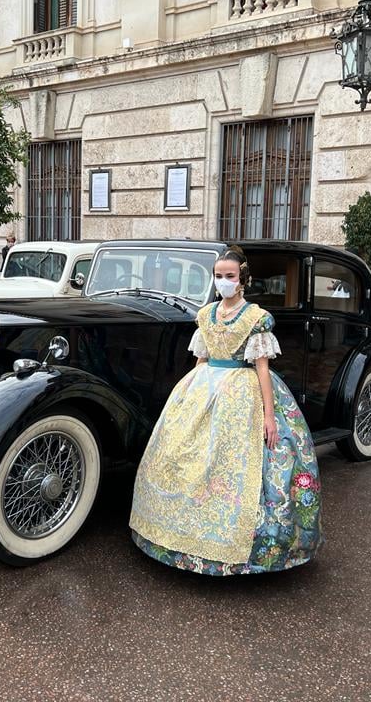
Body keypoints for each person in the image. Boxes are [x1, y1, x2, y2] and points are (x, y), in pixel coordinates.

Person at [129, 246, 322, 576]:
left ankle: (244, 550)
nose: (223, 282)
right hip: (204, 387)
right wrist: (188, 400)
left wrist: (268, 415)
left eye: (229, 276)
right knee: (182, 455)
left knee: (238, 466)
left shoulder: (255, 317)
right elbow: (200, 360)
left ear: (242, 279)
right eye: (219, 276)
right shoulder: (206, 315)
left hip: (242, 390)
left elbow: (261, 367)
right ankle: (175, 538)